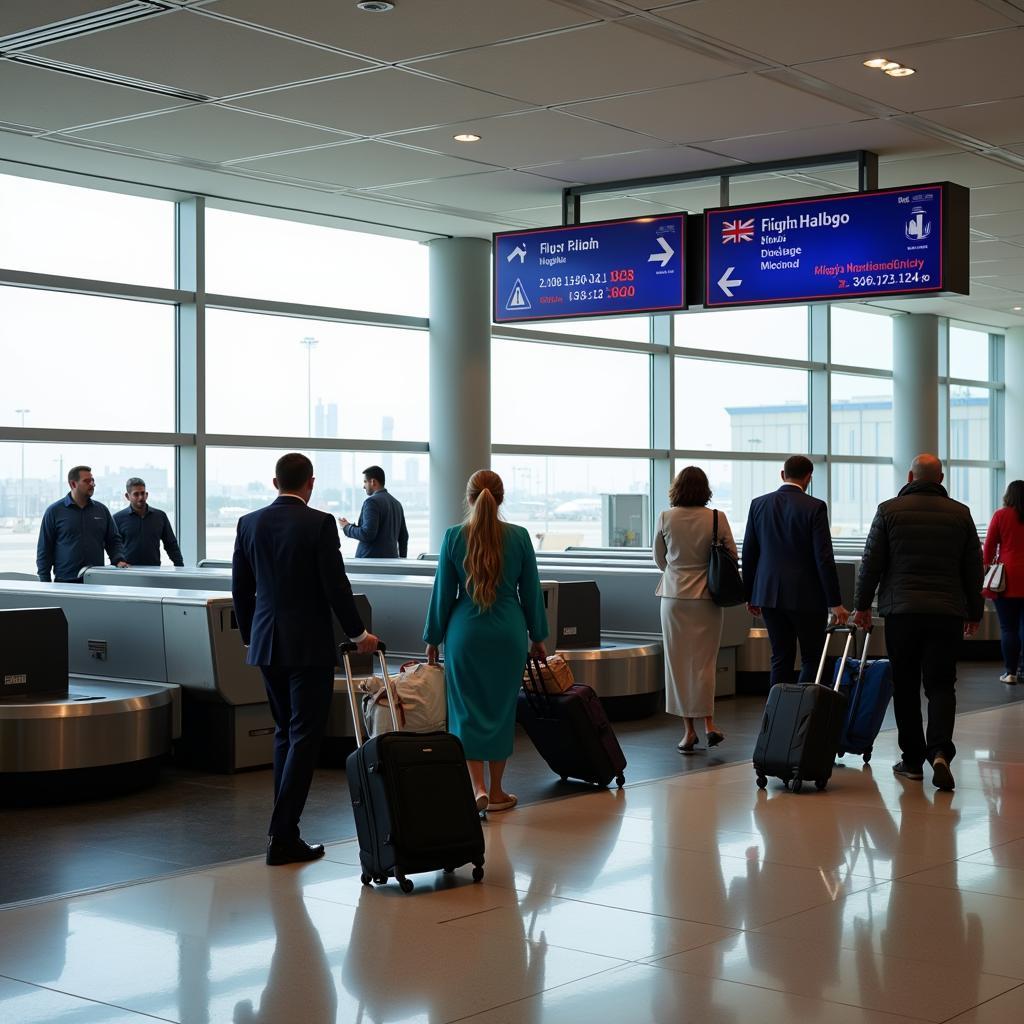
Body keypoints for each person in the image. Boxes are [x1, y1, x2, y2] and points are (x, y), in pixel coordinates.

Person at [231, 453, 379, 865]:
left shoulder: (249, 523)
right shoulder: (318, 523)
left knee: (285, 732)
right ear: (310, 483)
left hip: (266, 644)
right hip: (308, 645)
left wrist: (251, 638)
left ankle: (285, 831)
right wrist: (360, 634)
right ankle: (282, 835)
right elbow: (336, 585)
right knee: (304, 735)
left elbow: (240, 591)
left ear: (275, 481)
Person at [853, 454, 984, 792]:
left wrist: (862, 606)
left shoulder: (889, 510)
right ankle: (939, 750)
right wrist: (975, 612)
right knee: (941, 685)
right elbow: (973, 568)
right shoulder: (961, 514)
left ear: (911, 475)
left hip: (902, 612)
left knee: (906, 686)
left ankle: (911, 760)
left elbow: (872, 562)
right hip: (946, 612)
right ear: (941, 478)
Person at [423, 469, 547, 813]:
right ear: (501, 498)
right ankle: (496, 792)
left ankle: (475, 786)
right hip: (508, 631)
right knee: (501, 710)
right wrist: (538, 636)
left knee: (466, 710)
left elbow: (443, 594)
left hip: (466, 632)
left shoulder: (452, 537)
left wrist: (433, 637)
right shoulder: (520, 537)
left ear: (469, 498)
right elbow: (532, 592)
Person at [742, 455, 849, 684]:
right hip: (806, 596)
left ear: (783, 474)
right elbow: (824, 558)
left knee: (780, 656)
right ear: (809, 477)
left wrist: (750, 594)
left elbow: (750, 553)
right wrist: (835, 602)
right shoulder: (815, 507)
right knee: (812, 657)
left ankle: (776, 716)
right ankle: (803, 714)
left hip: (769, 594)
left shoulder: (758, 504)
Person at [654, 466, 736, 753]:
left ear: (677, 488)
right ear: (705, 489)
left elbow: (659, 559)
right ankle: (709, 724)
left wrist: (678, 574)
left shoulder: (666, 517)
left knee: (677, 664)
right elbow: (732, 557)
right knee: (704, 663)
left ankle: (688, 732)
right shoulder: (716, 517)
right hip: (707, 598)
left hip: (674, 598)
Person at [36, 465, 128, 583]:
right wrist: (45, 582)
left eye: (93, 480)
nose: (92, 484)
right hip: (65, 582)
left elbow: (114, 540)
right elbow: (44, 550)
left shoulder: (102, 510)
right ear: (73, 484)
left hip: (96, 580)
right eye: (87, 481)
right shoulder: (54, 511)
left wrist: (118, 559)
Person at [984, 480, 1024, 685]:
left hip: (1007, 580)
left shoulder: (1001, 515)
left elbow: (989, 547)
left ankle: (1011, 673)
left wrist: (985, 567)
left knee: (1008, 628)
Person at [113, 477, 184, 567]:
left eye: (143, 493)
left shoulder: (160, 516)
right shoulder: (117, 518)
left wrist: (180, 566)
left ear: (146, 494)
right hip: (127, 572)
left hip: (154, 571)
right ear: (127, 496)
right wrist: (117, 561)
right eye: (136, 494)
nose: (141, 497)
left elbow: (171, 544)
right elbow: (113, 546)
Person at [339, 465, 408, 558]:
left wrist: (347, 527)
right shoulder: (397, 504)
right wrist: (402, 560)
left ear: (373, 482)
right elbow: (404, 537)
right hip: (392, 562)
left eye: (365, 482)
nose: (363, 486)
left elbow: (367, 534)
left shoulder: (371, 502)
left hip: (370, 563)